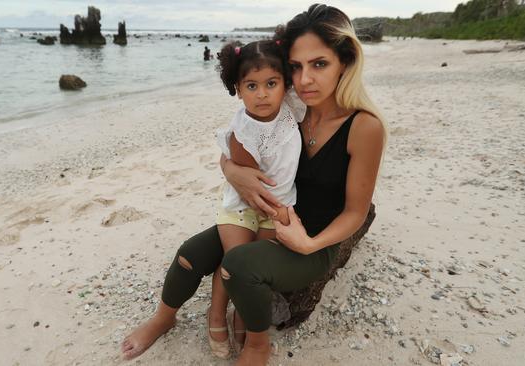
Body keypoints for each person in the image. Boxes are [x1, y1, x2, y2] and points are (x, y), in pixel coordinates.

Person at [121, 4, 386, 365]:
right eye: (295, 66)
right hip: (263, 213)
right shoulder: (291, 106)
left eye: (319, 64)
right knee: (191, 253)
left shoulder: (364, 126)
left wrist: (310, 244)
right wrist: (231, 170)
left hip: (311, 241)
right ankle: (164, 317)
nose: (306, 79)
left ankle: (258, 345)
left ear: (345, 62)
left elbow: (356, 212)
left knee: (239, 266)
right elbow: (240, 141)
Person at [208, 39, 306, 358]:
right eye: (251, 85)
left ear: (285, 85)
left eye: (271, 84)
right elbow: (245, 181)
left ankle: (244, 315)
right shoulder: (243, 129)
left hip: (277, 207)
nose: (262, 94)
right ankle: (216, 312)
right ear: (238, 89)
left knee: (258, 271)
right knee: (234, 263)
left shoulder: (291, 107)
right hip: (243, 206)